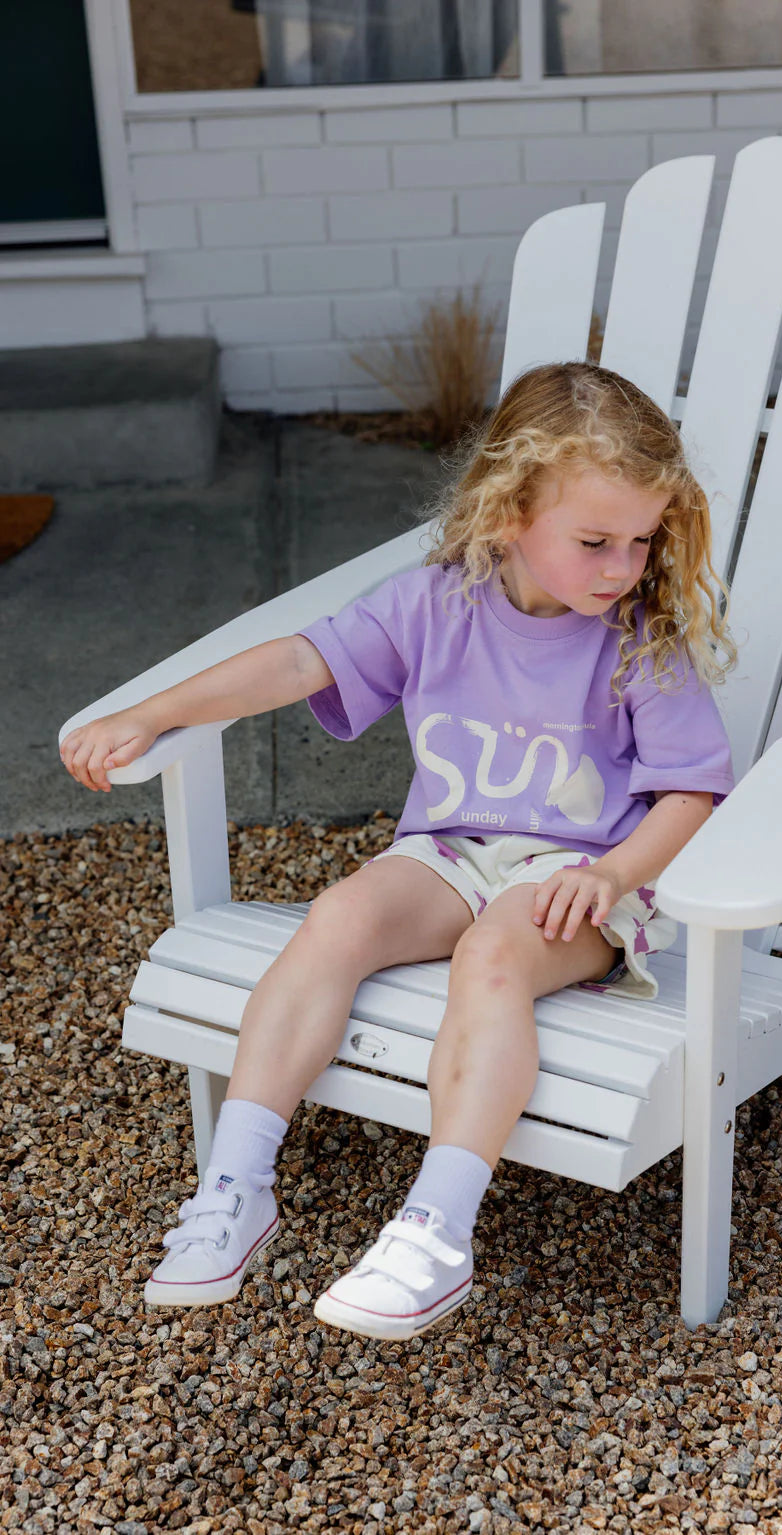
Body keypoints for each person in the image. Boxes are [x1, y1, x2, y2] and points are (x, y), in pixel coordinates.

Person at [59, 361, 737, 1341]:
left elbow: (692, 791)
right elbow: (300, 660)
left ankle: (436, 1227)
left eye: (639, 541)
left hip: (582, 882)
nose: (621, 567)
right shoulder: (436, 602)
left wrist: (614, 872)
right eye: (594, 541)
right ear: (509, 513)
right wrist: (149, 712)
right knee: (336, 916)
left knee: (494, 952)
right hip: (449, 854)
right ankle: (237, 1184)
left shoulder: (640, 639)